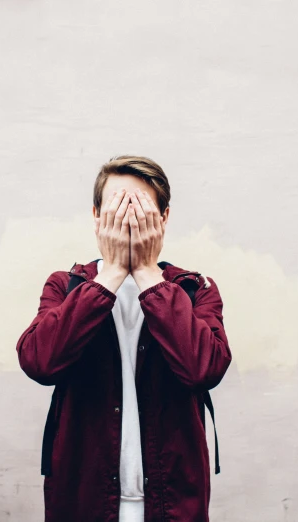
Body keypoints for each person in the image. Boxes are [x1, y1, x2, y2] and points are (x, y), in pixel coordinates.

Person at [16, 155, 232, 521]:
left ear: (163, 218)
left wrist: (148, 272)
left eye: (140, 209)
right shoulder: (65, 286)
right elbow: (39, 362)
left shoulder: (195, 290)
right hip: (84, 503)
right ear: (97, 216)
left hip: (172, 505)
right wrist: (111, 273)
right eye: (116, 207)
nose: (126, 219)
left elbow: (203, 370)